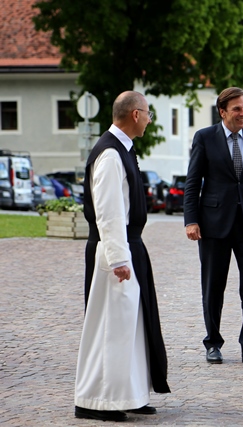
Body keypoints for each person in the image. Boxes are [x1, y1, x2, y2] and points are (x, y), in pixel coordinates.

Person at [75, 91, 170, 421]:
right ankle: (100, 401)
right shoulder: (110, 155)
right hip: (114, 251)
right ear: (134, 115)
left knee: (133, 325)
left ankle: (130, 394)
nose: (148, 120)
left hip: (129, 247)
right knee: (112, 328)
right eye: (148, 114)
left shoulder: (121, 150)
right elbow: (109, 213)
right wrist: (118, 259)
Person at [183, 87, 243, 367]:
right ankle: (213, 342)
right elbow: (192, 182)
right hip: (213, 224)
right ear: (222, 111)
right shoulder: (204, 138)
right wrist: (191, 220)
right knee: (213, 285)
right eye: (237, 108)